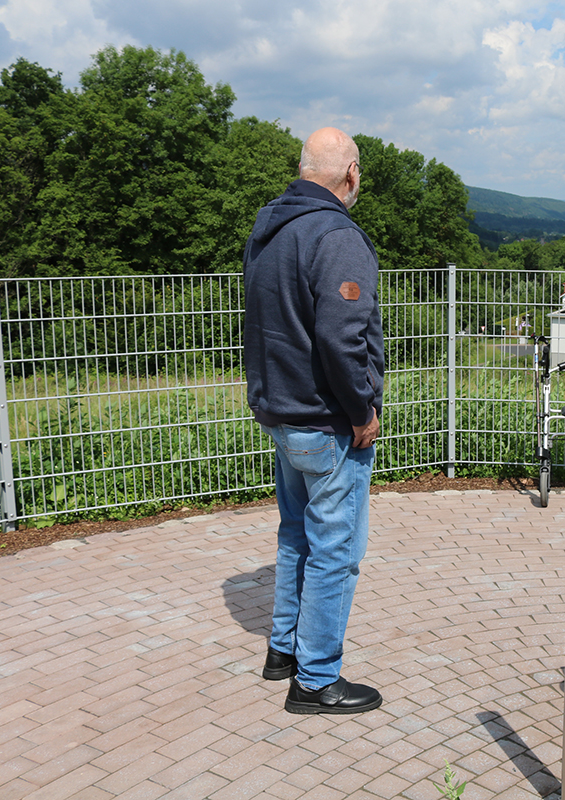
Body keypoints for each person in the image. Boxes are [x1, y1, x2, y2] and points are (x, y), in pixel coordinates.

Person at [244, 127, 385, 715]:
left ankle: (283, 651)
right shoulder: (336, 235)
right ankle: (316, 678)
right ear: (350, 174)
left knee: (296, 534)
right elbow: (341, 334)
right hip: (328, 421)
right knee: (336, 549)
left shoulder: (268, 227)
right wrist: (362, 408)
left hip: (280, 409)